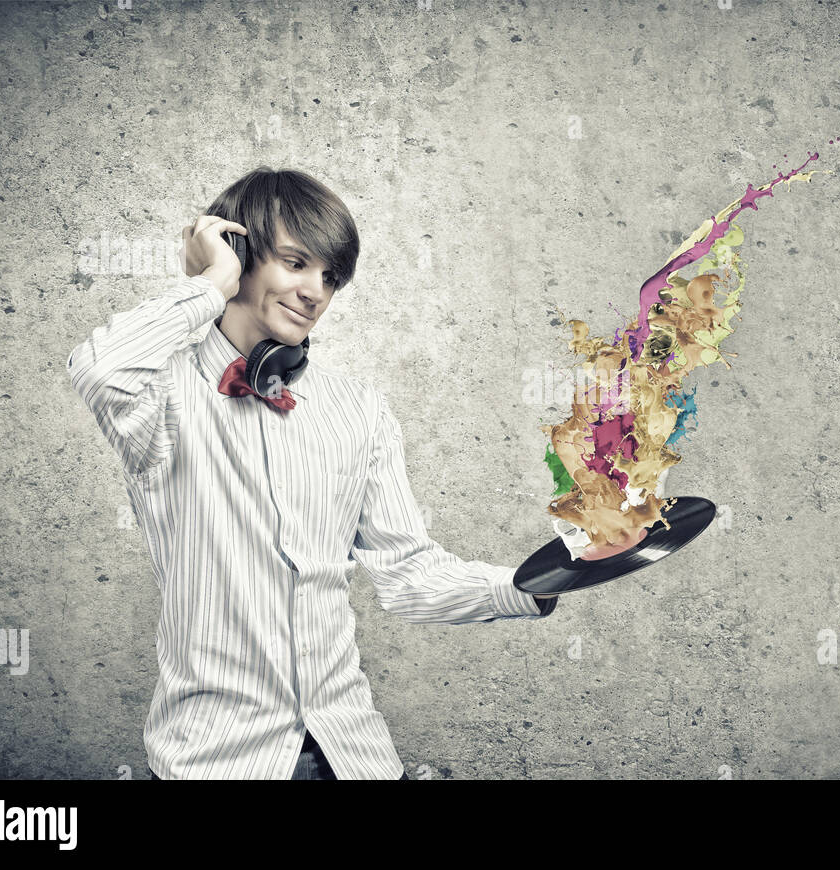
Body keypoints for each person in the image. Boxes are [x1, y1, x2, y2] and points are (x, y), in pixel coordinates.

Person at [66, 167, 559, 780]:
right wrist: (211, 282)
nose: (316, 292)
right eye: (295, 263)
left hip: (355, 756)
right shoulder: (160, 394)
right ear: (241, 253)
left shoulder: (359, 408)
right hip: (219, 761)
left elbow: (407, 572)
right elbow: (98, 368)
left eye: (329, 277)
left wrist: (540, 581)